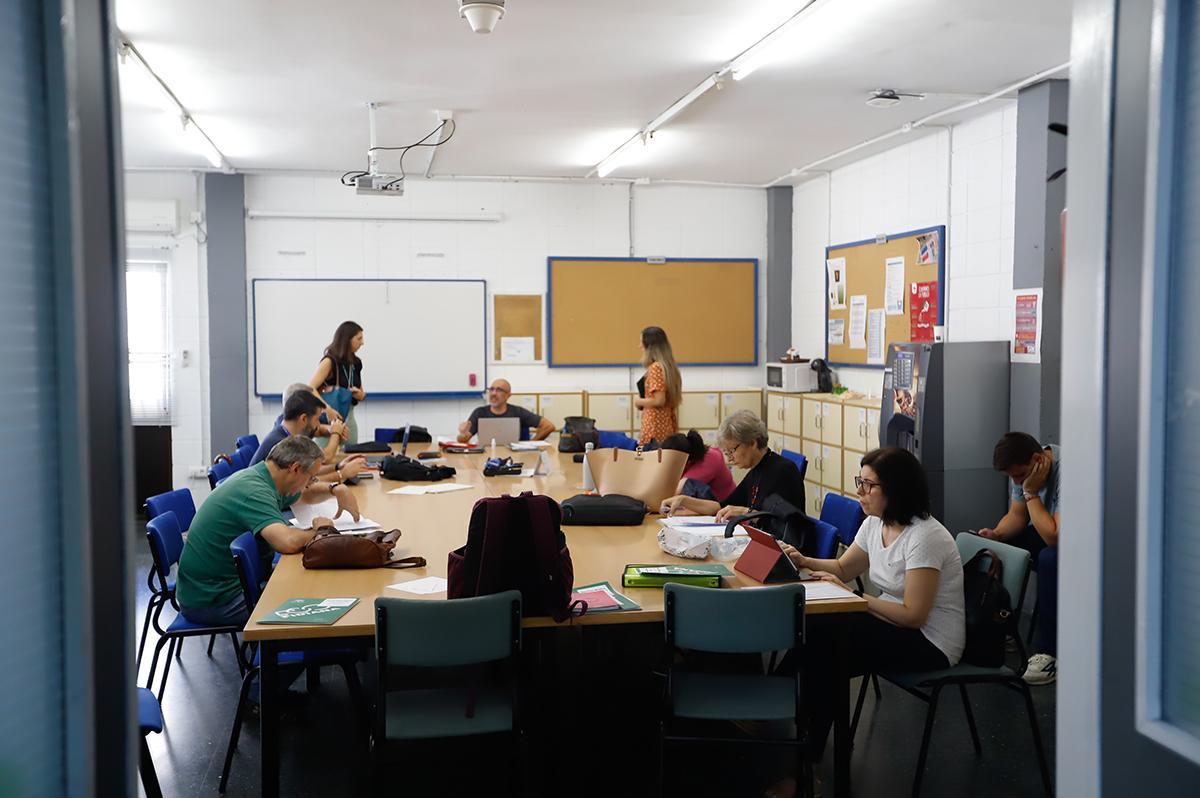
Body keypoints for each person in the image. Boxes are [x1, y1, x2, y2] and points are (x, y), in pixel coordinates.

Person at [782, 446, 965, 759]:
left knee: (828, 643)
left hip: (930, 641)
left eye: (868, 485)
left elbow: (914, 616)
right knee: (823, 643)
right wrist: (802, 559)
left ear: (895, 489)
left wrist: (855, 597)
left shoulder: (925, 537)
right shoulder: (875, 523)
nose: (859, 491)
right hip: (891, 623)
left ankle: (792, 738)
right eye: (860, 481)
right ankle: (795, 735)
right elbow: (843, 568)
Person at [176, 436, 361, 627]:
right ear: (295, 468)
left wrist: (336, 489)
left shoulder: (264, 478)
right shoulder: (254, 491)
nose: (309, 483)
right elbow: (287, 542)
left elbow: (305, 494)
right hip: (215, 600)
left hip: (223, 586)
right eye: (311, 477)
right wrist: (322, 530)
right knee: (319, 597)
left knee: (315, 583)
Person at [979, 432, 1060, 685]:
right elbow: (1018, 516)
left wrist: (1031, 493)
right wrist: (998, 534)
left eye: (1019, 476)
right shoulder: (1028, 471)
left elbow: (1054, 538)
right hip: (1047, 528)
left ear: (1037, 459)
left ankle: (1048, 653)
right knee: (999, 547)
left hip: (1090, 543)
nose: (1017, 482)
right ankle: (1002, 627)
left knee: (1049, 559)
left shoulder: (1069, 471)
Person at [659, 410, 804, 521]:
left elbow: (784, 521)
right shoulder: (757, 470)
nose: (730, 458)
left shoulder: (783, 470)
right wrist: (683, 500)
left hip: (787, 551)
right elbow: (721, 506)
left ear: (752, 443)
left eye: (732, 451)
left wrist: (744, 512)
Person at [250, 389, 366, 481]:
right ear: (304, 419)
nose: (318, 425)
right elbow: (306, 486)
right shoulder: (283, 444)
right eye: (317, 419)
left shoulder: (286, 433)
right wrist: (342, 474)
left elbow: (307, 471)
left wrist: (338, 467)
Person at [310, 321, 365, 445]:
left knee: (350, 458)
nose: (362, 343)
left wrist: (357, 394)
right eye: (359, 338)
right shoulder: (330, 361)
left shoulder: (356, 363)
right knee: (325, 459)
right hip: (329, 418)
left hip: (349, 417)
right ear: (347, 339)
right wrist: (327, 409)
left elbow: (362, 394)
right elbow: (311, 388)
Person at [457, 378, 554, 443]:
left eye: (499, 390)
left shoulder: (518, 412)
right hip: (486, 457)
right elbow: (462, 441)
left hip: (515, 458)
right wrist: (463, 434)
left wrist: (531, 444)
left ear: (508, 395)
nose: (494, 393)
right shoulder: (479, 412)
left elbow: (549, 426)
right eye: (491, 389)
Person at [634, 326, 682, 446]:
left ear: (649, 346)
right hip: (666, 424)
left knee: (646, 460)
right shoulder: (669, 367)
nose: (639, 346)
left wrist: (638, 401)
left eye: (641, 342)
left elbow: (659, 400)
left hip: (654, 427)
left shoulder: (655, 367)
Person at [661, 430, 735, 503]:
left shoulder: (710, 459)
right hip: (711, 506)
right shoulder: (691, 457)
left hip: (727, 506)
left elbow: (677, 491)